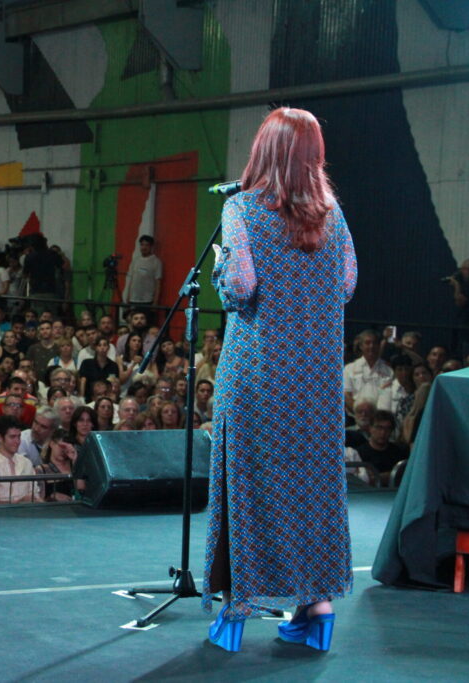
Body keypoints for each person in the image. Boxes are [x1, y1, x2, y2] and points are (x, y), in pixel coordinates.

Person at [203, 108, 357, 653]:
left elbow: (241, 287)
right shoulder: (333, 216)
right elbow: (345, 284)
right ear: (313, 156)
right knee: (314, 489)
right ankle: (317, 611)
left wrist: (221, 262)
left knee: (249, 485)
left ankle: (237, 610)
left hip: (259, 376)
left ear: (264, 153)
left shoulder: (241, 208)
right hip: (315, 383)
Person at [0, 416, 39, 504]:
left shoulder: (26, 463)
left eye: (19, 436)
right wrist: (18, 502)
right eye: (12, 437)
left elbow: (35, 494)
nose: (17, 441)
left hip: (26, 514)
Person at [122, 234, 163, 310]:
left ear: (151, 247)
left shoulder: (156, 262)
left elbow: (158, 283)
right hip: (133, 299)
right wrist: (128, 296)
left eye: (147, 245)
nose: (144, 247)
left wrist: (155, 302)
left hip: (147, 300)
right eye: (142, 245)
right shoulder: (135, 261)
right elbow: (131, 280)